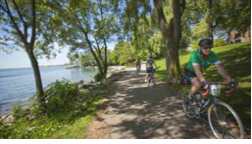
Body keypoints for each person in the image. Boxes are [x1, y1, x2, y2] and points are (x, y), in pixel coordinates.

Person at [185, 38, 238, 105]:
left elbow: (220, 68)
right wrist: (203, 81)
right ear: (200, 48)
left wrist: (230, 79)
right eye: (205, 48)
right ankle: (189, 97)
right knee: (198, 84)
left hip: (200, 72)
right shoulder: (195, 55)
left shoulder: (213, 55)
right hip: (190, 71)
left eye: (210, 47)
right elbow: (197, 70)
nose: (208, 50)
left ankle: (202, 106)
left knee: (204, 88)